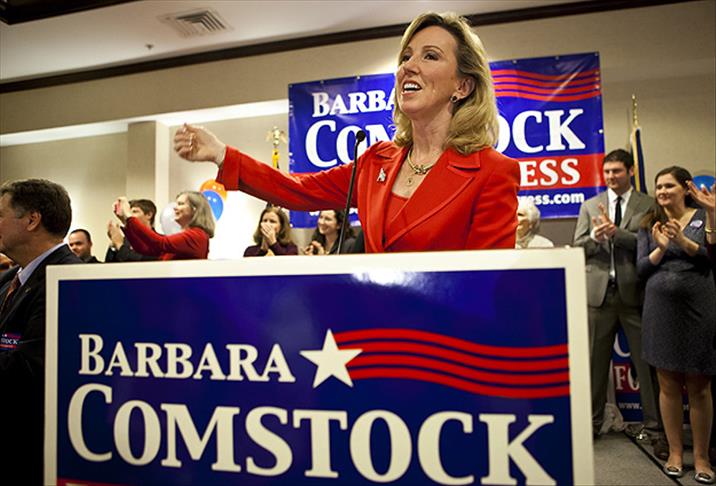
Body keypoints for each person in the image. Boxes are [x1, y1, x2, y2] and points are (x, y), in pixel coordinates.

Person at [173, 12, 520, 252]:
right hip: (369, 328)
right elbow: (299, 190)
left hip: (438, 336)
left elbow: (489, 286)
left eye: (430, 56)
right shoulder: (377, 160)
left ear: (463, 86)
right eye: (406, 57)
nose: (409, 67)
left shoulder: (492, 172)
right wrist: (222, 155)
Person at [573, 149, 661, 447]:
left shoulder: (648, 204)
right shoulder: (590, 205)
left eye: (617, 171)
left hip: (634, 294)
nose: (611, 176)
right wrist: (595, 237)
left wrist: (617, 234)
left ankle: (655, 428)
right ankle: (591, 425)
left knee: (646, 366)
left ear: (631, 171)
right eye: (607, 171)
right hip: (599, 296)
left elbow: (651, 245)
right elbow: (578, 246)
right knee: (594, 366)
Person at [0, 179, 83, 484]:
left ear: (32, 220)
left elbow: (27, 369)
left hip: (31, 450)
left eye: (0, 215)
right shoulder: (10, 278)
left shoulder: (68, 281)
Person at [637, 166, 715, 483]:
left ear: (685, 188)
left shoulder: (704, 216)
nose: (662, 192)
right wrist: (660, 247)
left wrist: (681, 241)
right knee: (667, 384)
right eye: (658, 187)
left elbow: (710, 257)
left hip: (697, 309)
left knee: (699, 385)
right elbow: (642, 268)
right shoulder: (648, 222)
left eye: (669, 186)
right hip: (660, 311)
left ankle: (702, 458)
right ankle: (674, 453)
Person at [113, 191, 214, 260]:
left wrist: (129, 216)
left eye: (180, 204)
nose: (175, 208)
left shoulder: (197, 236)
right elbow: (145, 249)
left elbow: (160, 243)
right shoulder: (190, 235)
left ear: (194, 209)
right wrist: (125, 220)